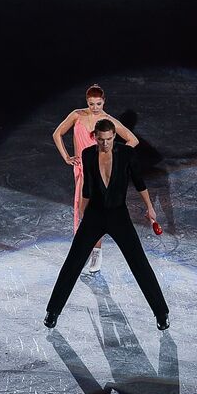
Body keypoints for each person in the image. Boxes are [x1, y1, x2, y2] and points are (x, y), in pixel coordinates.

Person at [44, 119, 168, 330]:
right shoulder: (88, 154)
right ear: (95, 138)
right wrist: (82, 211)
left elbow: (139, 182)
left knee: (139, 262)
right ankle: (52, 311)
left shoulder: (126, 154)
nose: (105, 144)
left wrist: (150, 207)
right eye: (101, 140)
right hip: (94, 215)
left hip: (119, 216)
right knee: (73, 262)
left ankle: (161, 312)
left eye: (109, 139)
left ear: (114, 137)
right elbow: (88, 187)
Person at [51, 84, 140, 273]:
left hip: (99, 172)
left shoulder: (108, 122)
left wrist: (117, 157)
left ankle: (96, 253)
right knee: (81, 210)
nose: (95, 107)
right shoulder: (77, 115)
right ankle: (85, 251)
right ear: (87, 102)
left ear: (104, 101)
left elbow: (132, 140)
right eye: (91, 104)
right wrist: (66, 157)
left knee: (95, 211)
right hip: (81, 170)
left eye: (98, 103)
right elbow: (57, 133)